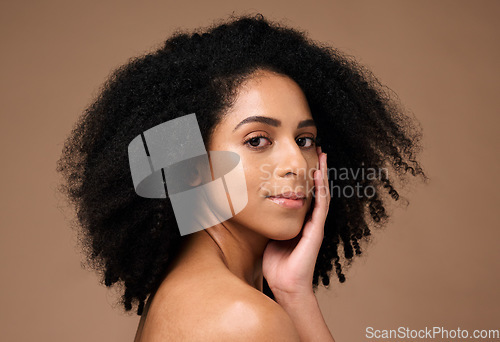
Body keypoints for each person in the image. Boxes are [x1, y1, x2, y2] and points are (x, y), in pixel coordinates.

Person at [56, 13, 426, 341]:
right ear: (194, 165)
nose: (297, 162)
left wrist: (295, 294)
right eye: (258, 140)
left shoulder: (187, 293)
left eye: (305, 139)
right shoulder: (243, 320)